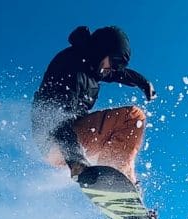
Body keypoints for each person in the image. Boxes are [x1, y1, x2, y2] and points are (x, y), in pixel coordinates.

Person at [32, 25, 155, 185]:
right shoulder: (71, 68)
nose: (113, 68)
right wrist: (77, 162)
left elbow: (119, 74)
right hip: (58, 141)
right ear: (102, 50)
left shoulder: (91, 65)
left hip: (64, 143)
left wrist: (143, 83)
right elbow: (59, 121)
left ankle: (123, 181)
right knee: (132, 117)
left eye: (119, 65)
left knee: (122, 130)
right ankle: (114, 175)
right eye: (115, 62)